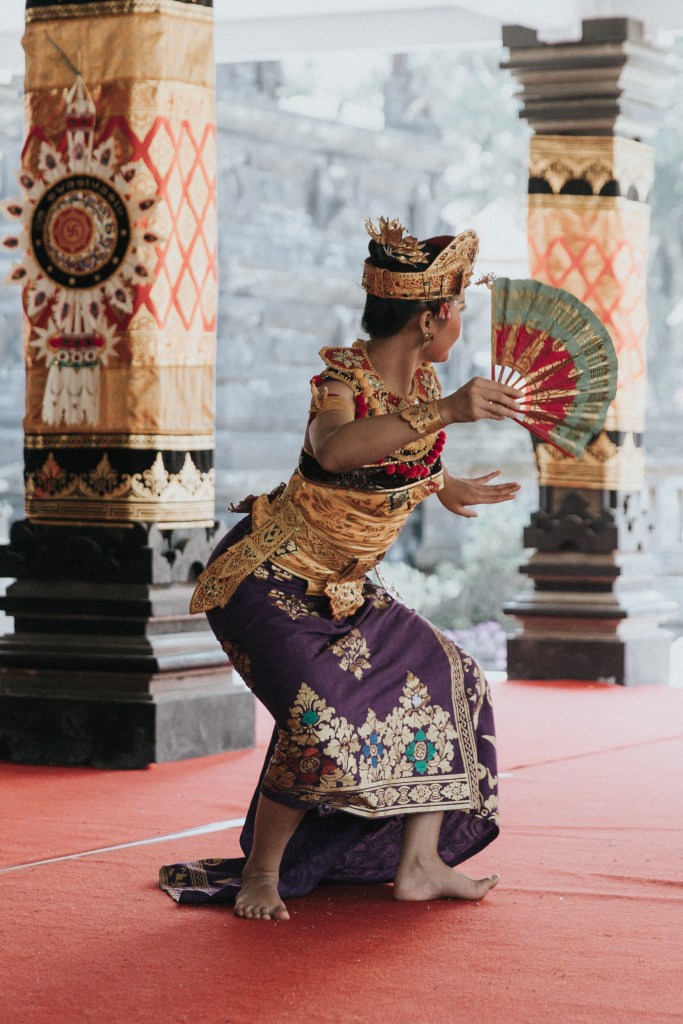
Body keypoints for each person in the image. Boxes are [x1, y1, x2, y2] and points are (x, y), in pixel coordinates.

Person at [160, 217, 522, 921]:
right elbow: (335, 451)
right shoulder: (339, 383)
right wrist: (447, 410)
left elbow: (400, 458)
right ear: (430, 318)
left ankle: (419, 865)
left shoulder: (422, 379)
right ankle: (263, 872)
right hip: (267, 581)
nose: (461, 323)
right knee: (319, 718)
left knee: (453, 675)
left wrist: (446, 485)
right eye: (458, 310)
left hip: (345, 592)